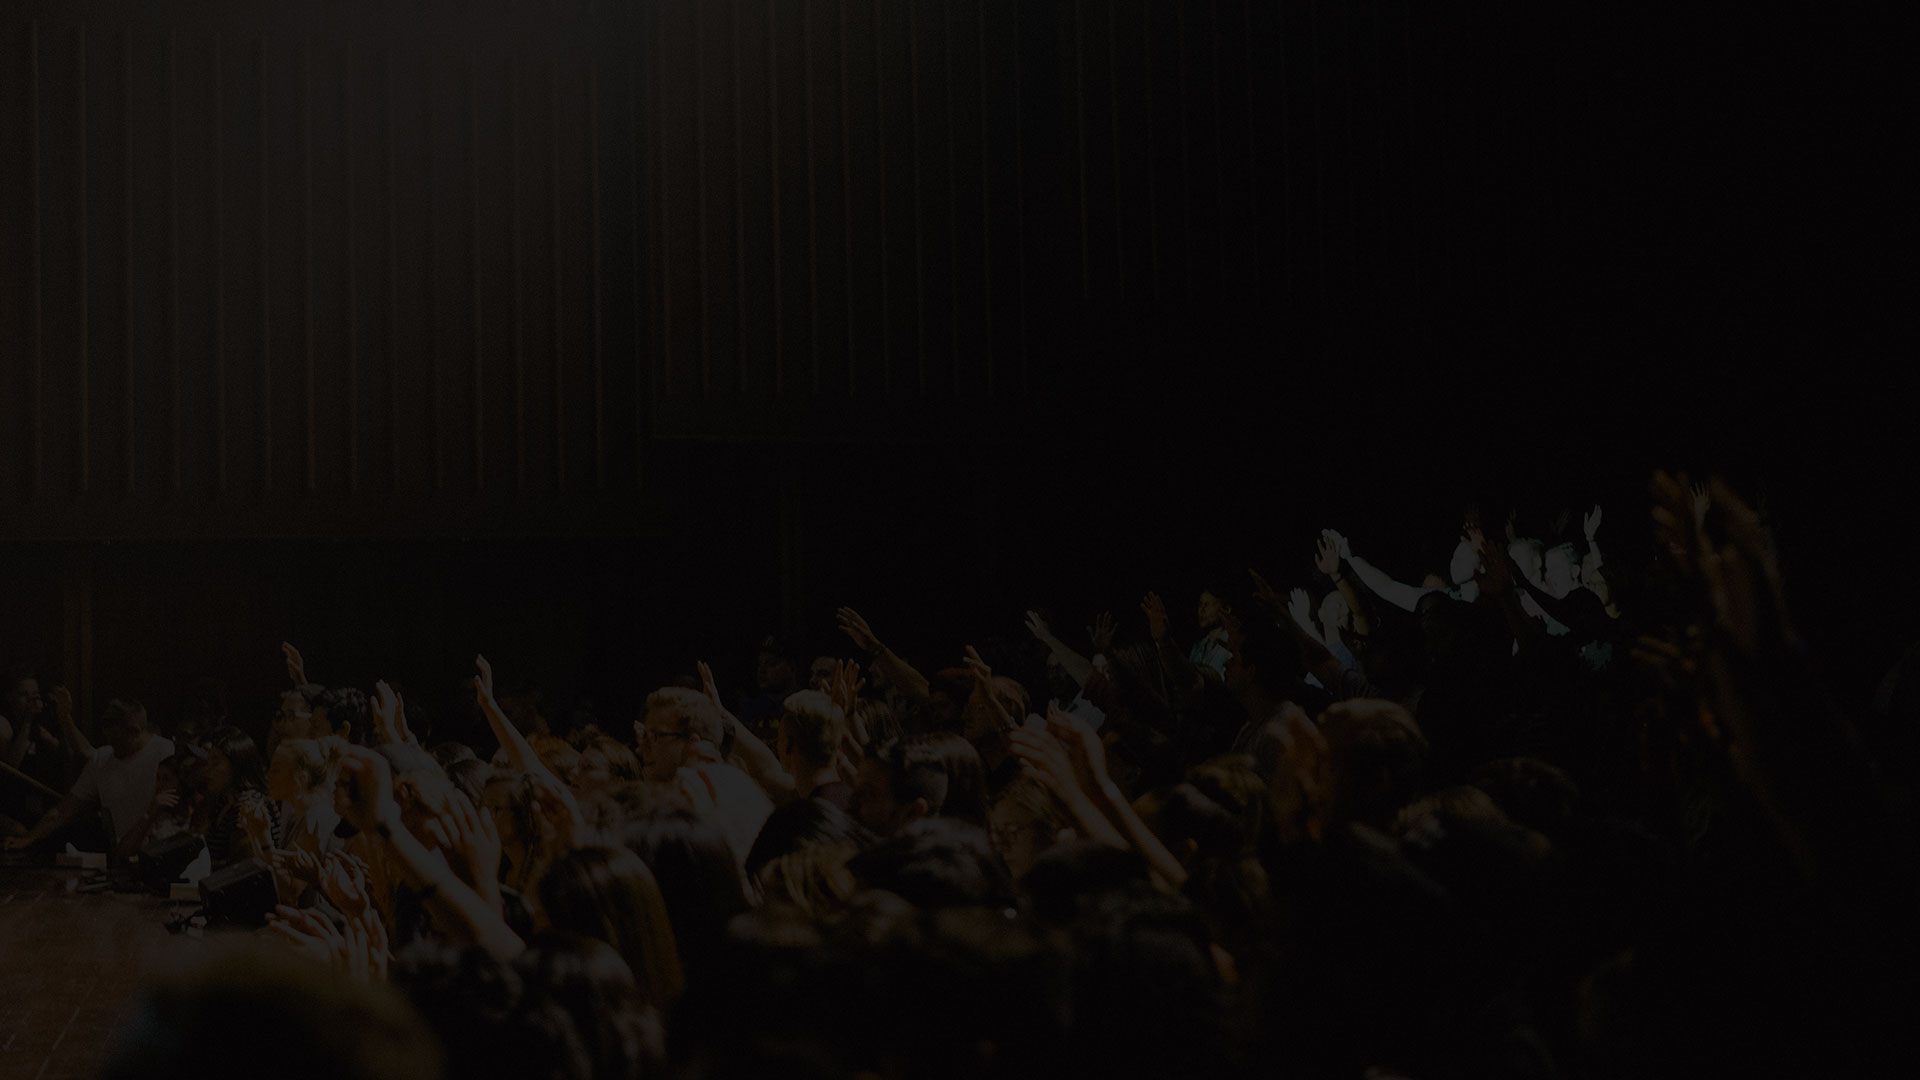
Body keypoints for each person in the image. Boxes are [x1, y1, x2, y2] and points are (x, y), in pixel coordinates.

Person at [6, 697, 174, 854]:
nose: (113, 747)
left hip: (162, 852)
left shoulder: (166, 753)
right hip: (123, 855)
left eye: (117, 741)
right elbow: (65, 808)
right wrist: (30, 837)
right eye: (109, 740)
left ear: (135, 731)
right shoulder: (103, 758)